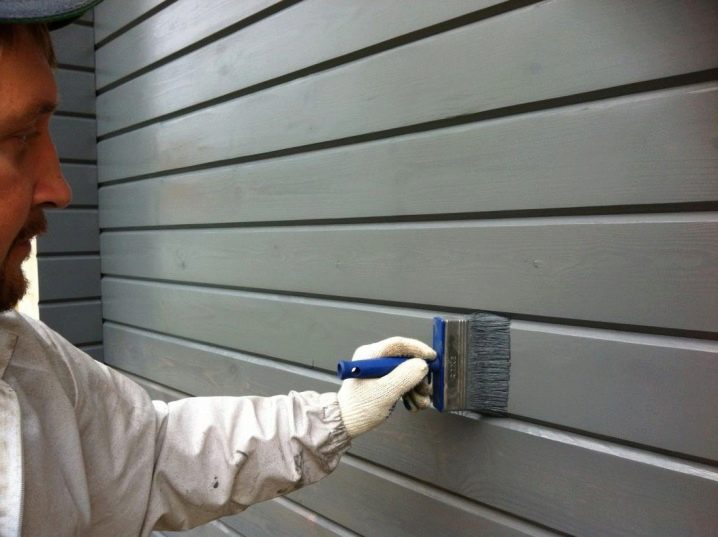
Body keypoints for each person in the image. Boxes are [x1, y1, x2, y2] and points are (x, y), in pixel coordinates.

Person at [0, 3, 436, 536]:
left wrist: (338, 415)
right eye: (20, 137)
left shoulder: (30, 367)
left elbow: (155, 457)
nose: (59, 188)